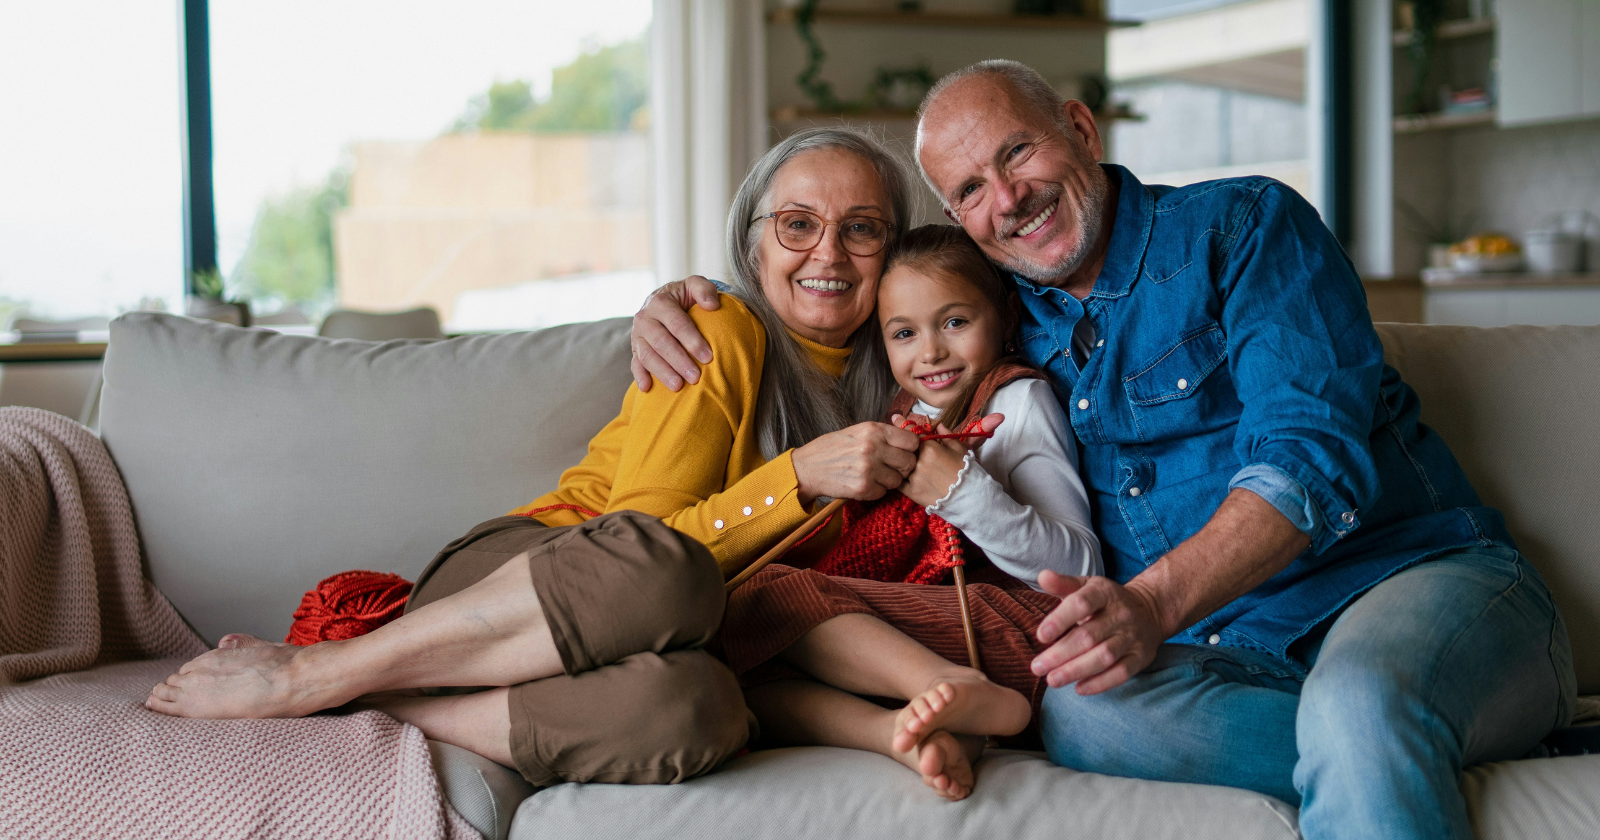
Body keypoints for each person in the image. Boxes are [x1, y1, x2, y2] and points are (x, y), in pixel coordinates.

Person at [630, 61, 1576, 838]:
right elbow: (845, 310)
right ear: (956, 220)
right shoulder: (992, 325)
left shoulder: (1243, 227)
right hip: (1230, 658)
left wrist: (1150, 604)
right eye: (969, 189)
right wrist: (684, 298)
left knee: (1361, 700)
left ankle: (1395, 720)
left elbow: (1309, 460)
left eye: (1019, 153)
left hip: (1406, 580)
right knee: (1081, 712)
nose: (1008, 199)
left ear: (1081, 129)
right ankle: (1406, 736)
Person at [144, 127, 934, 789]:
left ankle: (379, 706)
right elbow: (640, 547)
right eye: (797, 223)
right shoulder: (719, 327)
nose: (828, 250)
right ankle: (316, 674)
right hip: (530, 578)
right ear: (752, 243)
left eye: (862, 228)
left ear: (893, 251)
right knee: (672, 574)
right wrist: (797, 478)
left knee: (701, 711)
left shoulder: (909, 378)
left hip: (647, 655)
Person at [722, 224, 1102, 801]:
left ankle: (946, 683)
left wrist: (962, 489)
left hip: (1022, 633)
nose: (931, 352)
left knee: (770, 595)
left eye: (954, 322)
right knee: (737, 677)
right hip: (948, 633)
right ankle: (907, 730)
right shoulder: (907, 410)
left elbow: (1079, 571)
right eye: (904, 333)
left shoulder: (1019, 401)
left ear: (1001, 315)